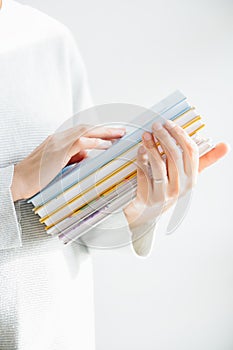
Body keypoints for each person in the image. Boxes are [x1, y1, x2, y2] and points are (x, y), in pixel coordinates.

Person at [0, 0, 229, 349]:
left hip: (57, 334)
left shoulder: (49, 39)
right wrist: (16, 181)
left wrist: (139, 206)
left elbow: (74, 227)